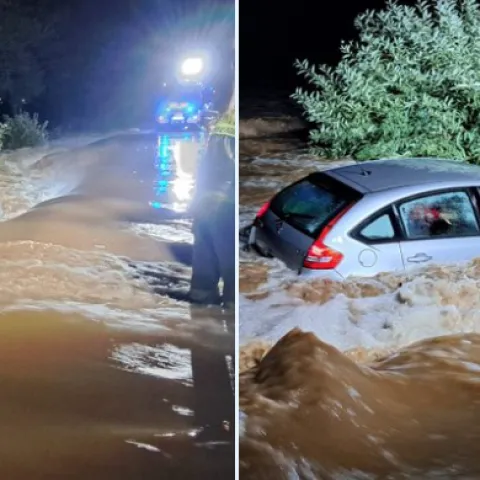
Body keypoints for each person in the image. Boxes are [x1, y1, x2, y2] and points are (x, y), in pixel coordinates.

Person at [188, 93, 235, 309]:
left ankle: (200, 310)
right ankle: (229, 315)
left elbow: (205, 171)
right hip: (224, 206)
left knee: (205, 253)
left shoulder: (221, 127)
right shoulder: (230, 127)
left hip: (206, 203)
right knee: (229, 258)